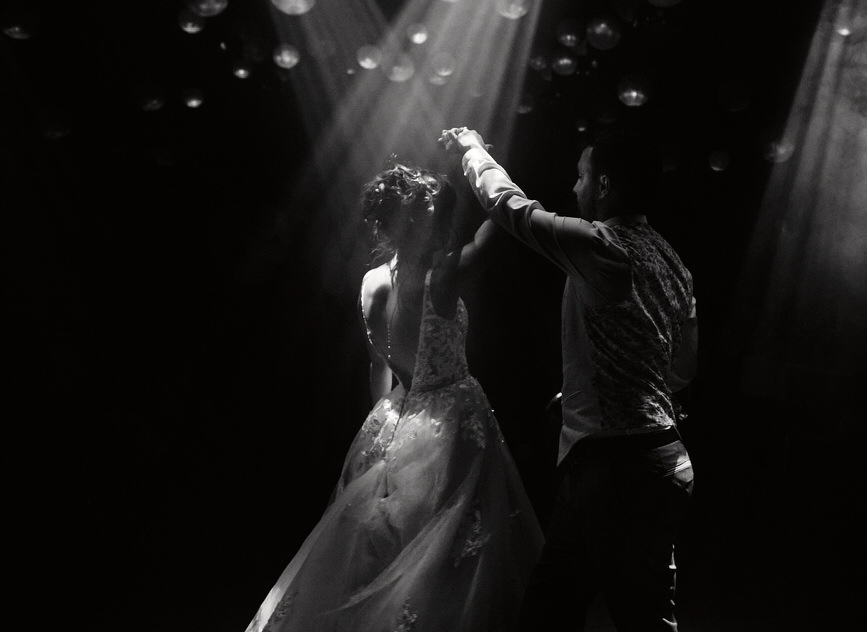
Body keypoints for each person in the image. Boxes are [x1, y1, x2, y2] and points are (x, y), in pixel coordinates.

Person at [244, 160, 543, 632]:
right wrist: (480, 156)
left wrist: (386, 438)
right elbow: (506, 221)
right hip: (450, 418)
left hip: (392, 415)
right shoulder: (441, 277)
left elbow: (377, 363)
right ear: (421, 221)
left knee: (389, 548)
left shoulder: (372, 281)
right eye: (434, 215)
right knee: (447, 550)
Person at [440, 126, 698, 632]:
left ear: (604, 185)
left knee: (632, 619)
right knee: (550, 608)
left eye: (581, 176)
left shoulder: (597, 242)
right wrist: (605, 386)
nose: (574, 187)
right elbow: (684, 368)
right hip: (640, 458)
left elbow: (513, 209)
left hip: (618, 468)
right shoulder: (673, 260)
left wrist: (473, 150)